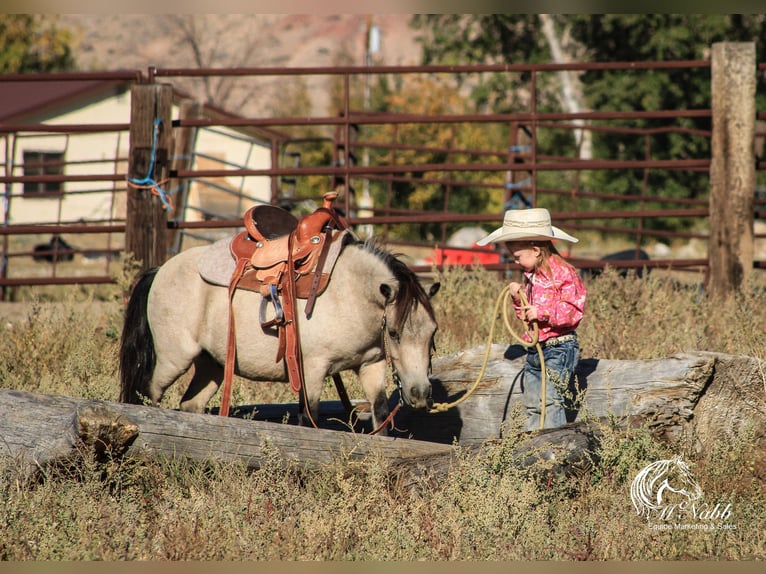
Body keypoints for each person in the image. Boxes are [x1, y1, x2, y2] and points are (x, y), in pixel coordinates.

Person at [477, 208, 587, 431]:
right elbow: (527, 317)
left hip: (559, 348)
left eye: (518, 257)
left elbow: (574, 310)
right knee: (533, 403)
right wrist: (518, 299)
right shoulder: (531, 277)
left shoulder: (564, 273)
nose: (516, 262)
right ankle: (536, 447)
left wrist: (543, 312)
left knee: (552, 402)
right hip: (536, 349)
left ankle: (555, 449)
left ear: (536, 251)